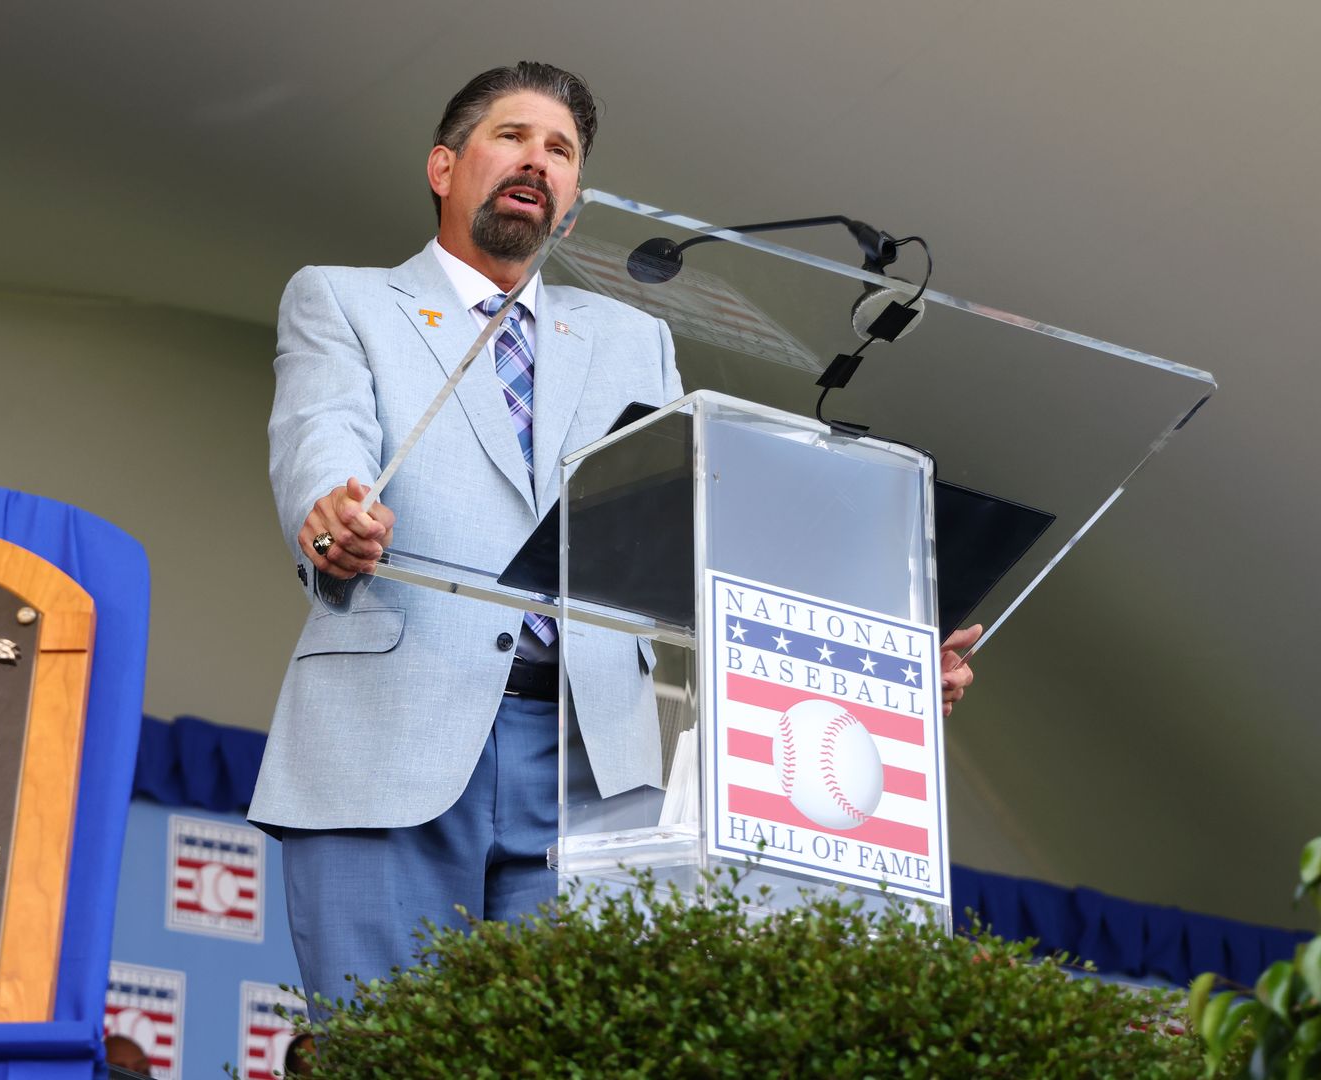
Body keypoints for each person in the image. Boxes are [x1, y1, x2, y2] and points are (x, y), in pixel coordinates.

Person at [250, 61, 978, 1006]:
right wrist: (331, 516)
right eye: (512, 136)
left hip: (595, 764)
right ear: (443, 166)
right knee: (384, 1048)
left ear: (574, 208)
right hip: (390, 734)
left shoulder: (636, 341)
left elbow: (698, 530)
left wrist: (887, 668)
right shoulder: (345, 301)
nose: (536, 160)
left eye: (560, 151)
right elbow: (321, 438)